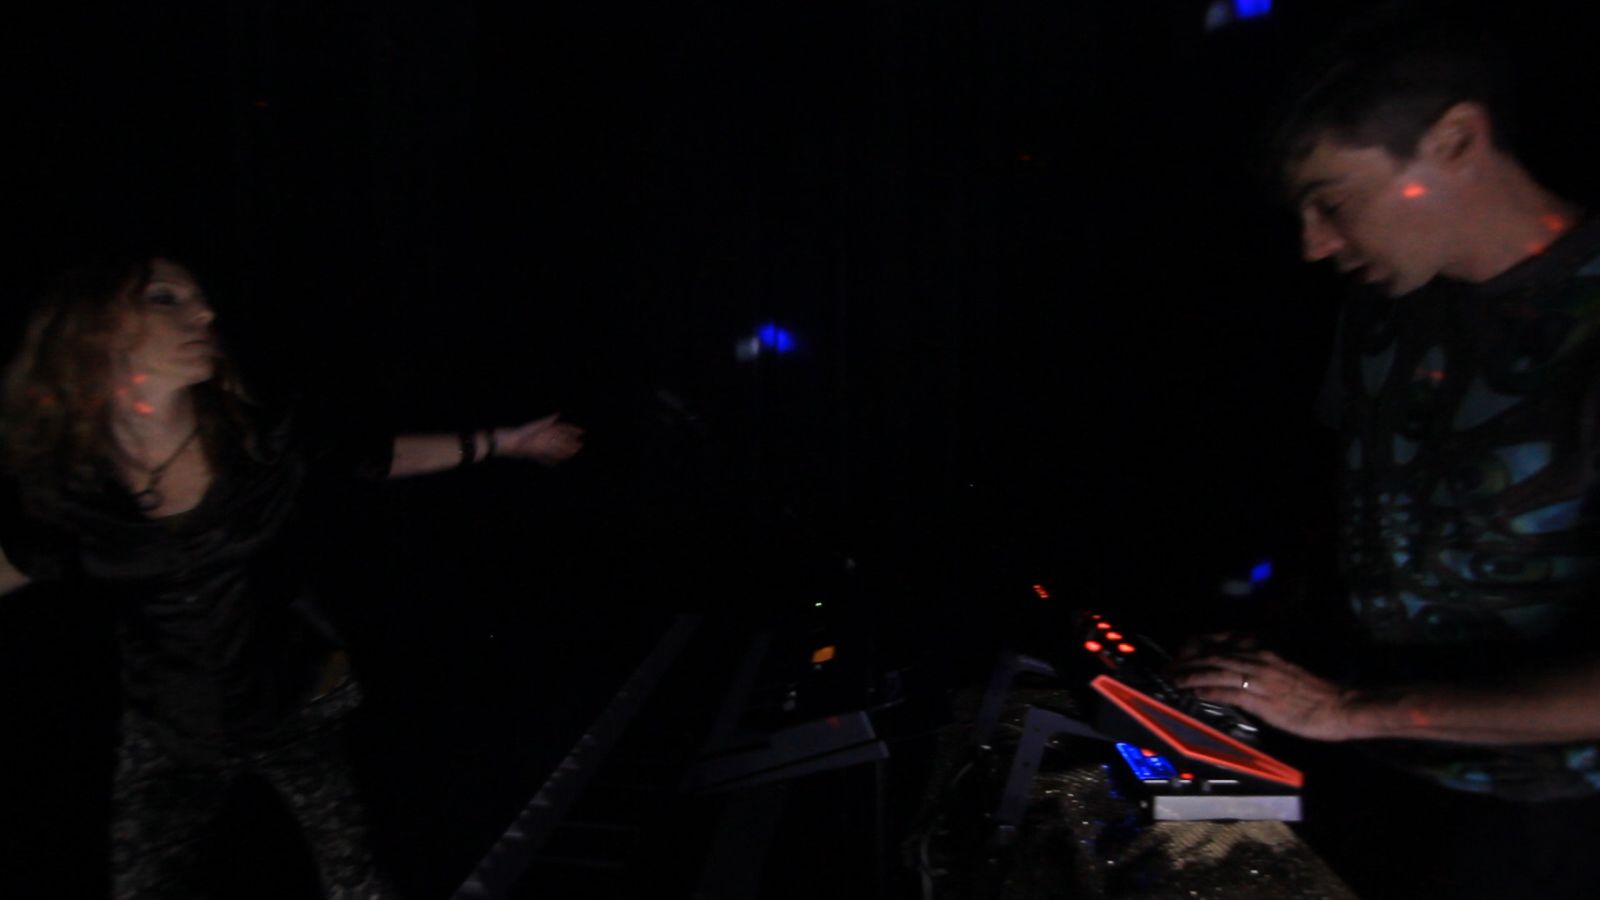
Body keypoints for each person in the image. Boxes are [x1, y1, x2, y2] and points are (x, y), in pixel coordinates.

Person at [1170, 19, 1600, 900]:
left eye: (1332, 201)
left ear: (1456, 140)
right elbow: (1344, 510)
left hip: (1553, 818)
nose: (1315, 244)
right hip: (1377, 771)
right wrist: (1271, 652)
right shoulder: (1384, 307)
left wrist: (1345, 711)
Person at [0, 256, 585, 899]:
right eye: (166, 297)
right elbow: (16, 561)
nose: (205, 312)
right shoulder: (75, 487)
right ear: (95, 327)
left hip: (295, 703)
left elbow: (379, 455)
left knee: (356, 879)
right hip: (171, 728)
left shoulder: (261, 437)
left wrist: (504, 442)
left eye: (199, 298)